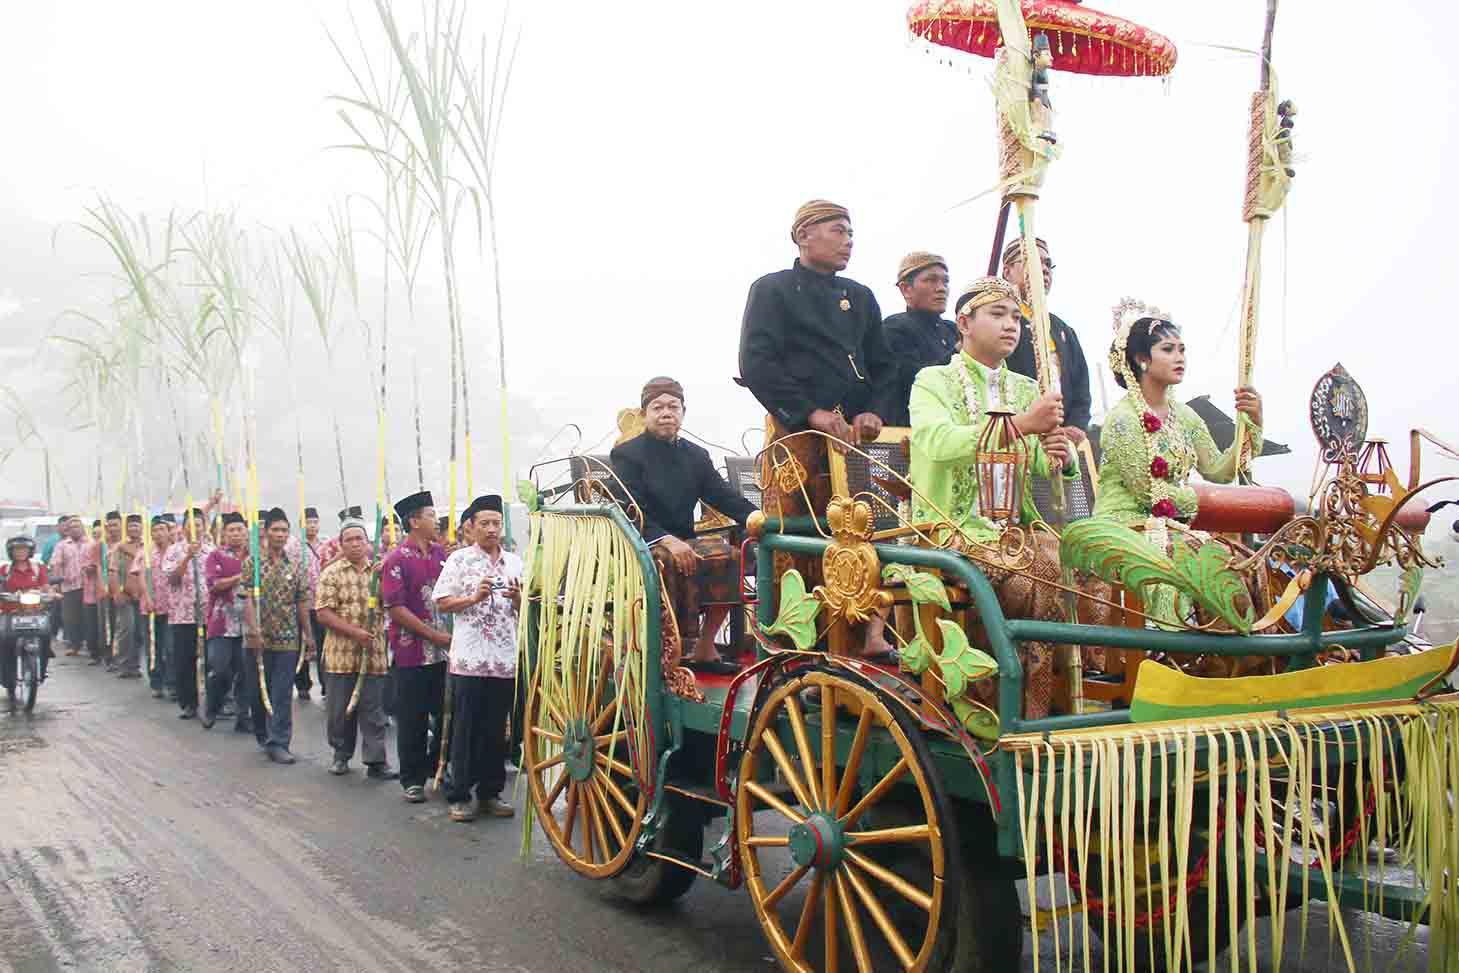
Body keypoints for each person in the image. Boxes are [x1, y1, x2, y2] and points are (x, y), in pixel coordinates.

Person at [909, 276, 1104, 718]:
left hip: (1013, 528)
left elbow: (1040, 462)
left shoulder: (1023, 387)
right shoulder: (932, 380)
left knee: (1084, 557)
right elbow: (938, 442)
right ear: (964, 323)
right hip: (947, 527)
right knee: (1034, 572)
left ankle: (1074, 689)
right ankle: (1003, 703)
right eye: (997, 314)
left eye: (1016, 317)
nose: (1011, 325)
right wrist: (1021, 424)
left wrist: (1061, 455)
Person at [1094, 302, 1264, 625]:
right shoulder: (1122, 420)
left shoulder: (1185, 416)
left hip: (1171, 525)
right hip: (1124, 528)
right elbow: (1151, 495)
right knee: (1184, 554)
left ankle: (1234, 653)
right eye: (1168, 349)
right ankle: (1167, 646)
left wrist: (1251, 422)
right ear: (1142, 359)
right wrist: (1205, 501)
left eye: (1182, 349)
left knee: (1240, 559)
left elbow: (1219, 469)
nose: (1180, 357)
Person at [738, 199, 898, 515]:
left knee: (864, 535)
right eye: (838, 231)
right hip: (797, 438)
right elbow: (757, 363)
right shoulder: (773, 289)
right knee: (799, 540)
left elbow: (885, 365)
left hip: (857, 441)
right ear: (803, 235)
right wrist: (811, 413)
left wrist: (875, 412)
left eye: (851, 234)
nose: (849, 241)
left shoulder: (860, 296)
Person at [610, 376, 756, 671]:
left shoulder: (696, 456)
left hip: (685, 539)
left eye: (673, 407)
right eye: (658, 407)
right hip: (640, 541)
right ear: (644, 414)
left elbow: (722, 495)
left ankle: (704, 647)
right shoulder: (627, 455)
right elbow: (629, 509)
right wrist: (664, 538)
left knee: (732, 556)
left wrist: (755, 518)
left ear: (683, 413)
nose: (666, 413)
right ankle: (664, 652)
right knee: (667, 559)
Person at [433, 495, 522, 822]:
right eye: (484, 523)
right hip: (469, 658)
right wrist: (473, 597)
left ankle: (490, 792)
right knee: (465, 728)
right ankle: (459, 795)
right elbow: (441, 602)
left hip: (502, 658)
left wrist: (518, 599)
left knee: (496, 728)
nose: (491, 529)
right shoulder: (459, 561)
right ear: (471, 527)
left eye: (496, 523)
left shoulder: (514, 563)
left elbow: (527, 607)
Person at [381, 490, 450, 803]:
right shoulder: (396, 560)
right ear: (414, 521)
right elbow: (395, 608)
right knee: (413, 719)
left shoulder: (442, 555)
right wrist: (432, 635)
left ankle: (438, 767)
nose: (436, 521)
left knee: (447, 713)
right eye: (431, 515)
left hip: (444, 654)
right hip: (411, 654)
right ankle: (412, 777)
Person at [316, 516, 395, 778]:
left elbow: (393, 604)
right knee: (340, 711)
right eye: (348, 540)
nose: (355, 544)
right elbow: (324, 614)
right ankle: (341, 755)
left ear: (367, 543)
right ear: (340, 544)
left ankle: (376, 761)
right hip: (341, 656)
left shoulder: (378, 573)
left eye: (359, 539)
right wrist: (355, 632)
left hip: (373, 655)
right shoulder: (331, 573)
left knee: (374, 710)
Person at [1002, 237, 1093, 439]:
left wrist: (1076, 426)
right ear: (1007, 272)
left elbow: (1081, 385)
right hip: (1016, 435)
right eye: (1032, 260)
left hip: (1062, 440)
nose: (1044, 269)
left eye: (1047, 264)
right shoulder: (998, 324)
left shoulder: (1063, 329)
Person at [248, 508, 315, 764]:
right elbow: (246, 601)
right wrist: (253, 631)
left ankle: (279, 741)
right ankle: (264, 733)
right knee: (258, 691)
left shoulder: (296, 567)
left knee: (282, 692)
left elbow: (301, 603)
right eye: (275, 529)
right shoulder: (253, 565)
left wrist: (308, 636)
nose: (279, 534)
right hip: (258, 639)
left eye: (284, 530)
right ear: (266, 533)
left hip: (288, 638)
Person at [883, 252, 959, 426]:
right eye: (931, 280)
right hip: (914, 429)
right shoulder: (895, 328)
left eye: (945, 281)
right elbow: (914, 380)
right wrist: (959, 352)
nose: (941, 288)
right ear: (906, 289)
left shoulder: (952, 329)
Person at [200, 512, 251, 730]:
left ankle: (243, 717)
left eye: (240, 529)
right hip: (222, 622)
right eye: (232, 530)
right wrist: (240, 577)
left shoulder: (254, 556)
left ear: (246, 532)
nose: (236, 534)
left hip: (248, 623)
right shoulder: (216, 556)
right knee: (219, 668)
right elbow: (214, 584)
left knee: (246, 673)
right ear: (224, 533)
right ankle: (212, 706)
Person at [164, 507, 212, 720]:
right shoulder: (174, 551)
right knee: (184, 659)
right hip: (183, 615)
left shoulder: (212, 551)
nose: (195, 529)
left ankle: (213, 701)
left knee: (211, 659)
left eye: (199, 525)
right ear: (183, 528)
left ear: (204, 527)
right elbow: (172, 578)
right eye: (190, 526)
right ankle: (189, 703)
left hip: (208, 614)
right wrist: (186, 558)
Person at [1, 535, 52, 698]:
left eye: (24, 549)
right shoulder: (5, 570)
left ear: (30, 551)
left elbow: (46, 587)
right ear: (11, 552)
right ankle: (6, 676)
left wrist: (51, 594)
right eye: (17, 549)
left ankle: (41, 670)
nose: (21, 552)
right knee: (4, 641)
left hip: (35, 613)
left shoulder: (39, 568)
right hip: (11, 613)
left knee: (46, 636)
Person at [135, 515, 174, 698]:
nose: (158, 534)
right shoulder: (145, 553)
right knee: (153, 645)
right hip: (150, 607)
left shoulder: (175, 552)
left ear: (168, 532)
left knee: (170, 645)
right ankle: (156, 681)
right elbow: (142, 576)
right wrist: (147, 597)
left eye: (162, 530)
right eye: (155, 530)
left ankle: (172, 682)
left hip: (173, 607)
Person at [294, 505, 326, 701]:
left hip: (322, 603)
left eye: (315, 522)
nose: (312, 526)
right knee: (303, 643)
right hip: (302, 603)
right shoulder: (295, 547)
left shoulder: (326, 545)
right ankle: (303, 684)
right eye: (308, 522)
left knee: (323, 644)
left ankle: (326, 685)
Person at [109, 514, 145, 679]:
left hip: (144, 596)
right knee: (126, 630)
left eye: (136, 525)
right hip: (126, 595)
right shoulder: (119, 548)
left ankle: (135, 665)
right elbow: (113, 571)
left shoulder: (147, 547)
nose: (133, 529)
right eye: (130, 526)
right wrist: (116, 592)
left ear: (142, 527)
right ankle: (124, 665)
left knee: (139, 632)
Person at [51, 517, 86, 656]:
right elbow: (56, 564)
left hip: (88, 587)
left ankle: (86, 643)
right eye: (71, 527)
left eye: (77, 526)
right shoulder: (62, 545)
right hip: (69, 586)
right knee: (70, 617)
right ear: (68, 530)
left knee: (87, 616)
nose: (75, 529)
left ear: (82, 528)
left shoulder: (90, 543)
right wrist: (56, 583)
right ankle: (74, 644)